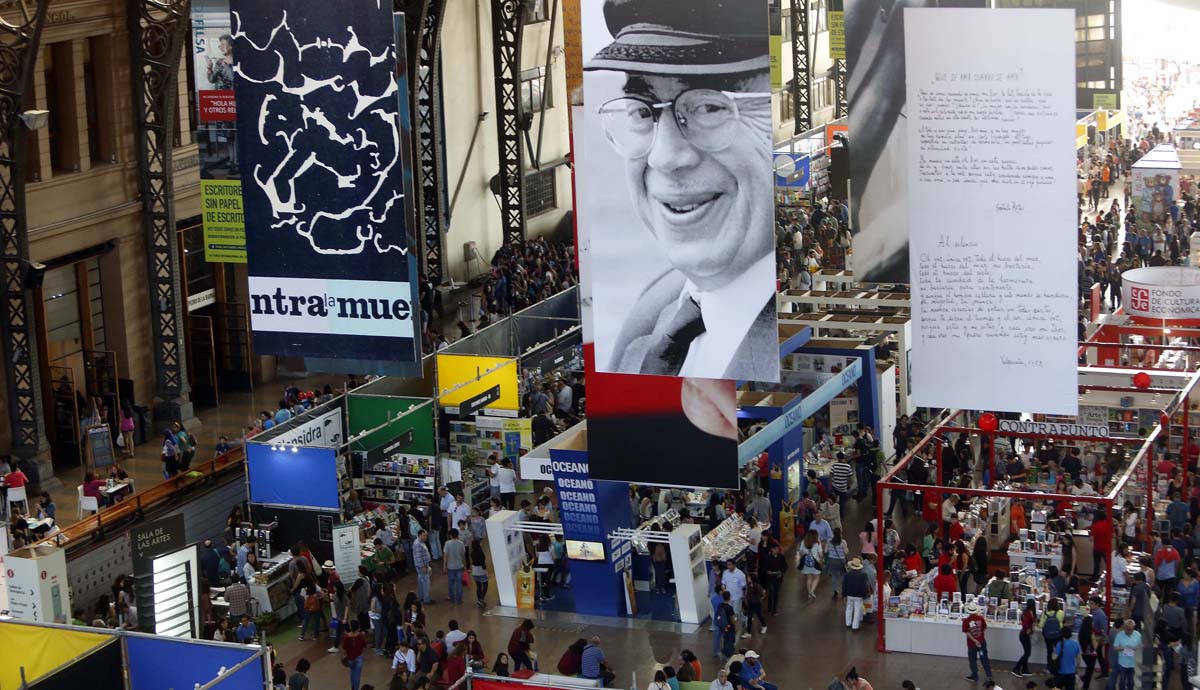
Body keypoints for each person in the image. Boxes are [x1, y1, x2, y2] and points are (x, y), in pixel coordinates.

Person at [587, 0, 776, 381]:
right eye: (643, 111)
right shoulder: (656, 308)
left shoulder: (791, 338)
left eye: (709, 107)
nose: (665, 157)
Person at [963, 601, 993, 682]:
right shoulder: (981, 618)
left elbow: (967, 633)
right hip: (981, 642)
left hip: (971, 644)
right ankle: (989, 675)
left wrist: (974, 640)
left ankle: (975, 676)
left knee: (973, 660)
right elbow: (985, 628)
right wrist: (980, 636)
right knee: (984, 658)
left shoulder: (966, 621)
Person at [1012, 598, 1037, 678]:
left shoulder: (1027, 612)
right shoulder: (1028, 613)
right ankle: (1016, 668)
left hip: (1024, 634)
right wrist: (1028, 629)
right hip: (1024, 635)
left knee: (1027, 652)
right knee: (1027, 653)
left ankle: (1025, 670)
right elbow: (1026, 623)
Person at [1112, 618, 1140, 690]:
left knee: (1131, 682)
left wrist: (1136, 648)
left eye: (1131, 629)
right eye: (1127, 629)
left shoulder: (1138, 635)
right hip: (1122, 663)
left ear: (1134, 628)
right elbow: (1115, 647)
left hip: (1133, 663)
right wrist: (1124, 648)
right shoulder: (1119, 635)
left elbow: (1141, 646)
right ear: (1124, 628)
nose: (1129, 631)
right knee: (1122, 681)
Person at [843, 558, 869, 631]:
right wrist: (864, 595)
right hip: (859, 595)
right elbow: (864, 587)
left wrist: (844, 595)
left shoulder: (847, 575)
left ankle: (848, 623)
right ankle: (855, 626)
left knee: (848, 608)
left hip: (849, 594)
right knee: (857, 610)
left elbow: (844, 585)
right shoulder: (863, 576)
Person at [796, 530, 824, 598]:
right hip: (815, 563)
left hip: (806, 564)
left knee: (809, 578)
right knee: (817, 577)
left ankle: (809, 593)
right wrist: (821, 559)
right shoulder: (817, 543)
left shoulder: (803, 542)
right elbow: (820, 554)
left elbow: (800, 552)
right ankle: (812, 591)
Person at [341, 619, 367, 690]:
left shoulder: (346, 637)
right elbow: (364, 645)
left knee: (352, 672)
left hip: (350, 658)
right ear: (358, 627)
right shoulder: (361, 636)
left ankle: (352, 687)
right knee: (357, 675)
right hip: (359, 658)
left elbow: (344, 649)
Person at [443, 528, 466, 605]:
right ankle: (459, 600)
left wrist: (444, 566)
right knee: (459, 583)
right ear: (457, 535)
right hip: (459, 566)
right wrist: (465, 564)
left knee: (451, 583)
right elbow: (463, 555)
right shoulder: (461, 543)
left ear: (450, 535)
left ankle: (452, 598)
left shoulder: (447, 543)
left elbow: (445, 556)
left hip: (450, 567)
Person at [413, 529, 433, 604]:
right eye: (424, 535)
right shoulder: (418, 544)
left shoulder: (419, 542)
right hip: (422, 566)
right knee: (426, 582)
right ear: (419, 535)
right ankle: (426, 599)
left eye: (426, 535)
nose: (425, 537)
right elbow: (418, 557)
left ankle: (421, 597)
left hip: (422, 565)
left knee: (421, 581)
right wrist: (423, 566)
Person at [470, 540, 489, 608]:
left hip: (474, 571)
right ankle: (481, 599)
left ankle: (479, 600)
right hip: (481, 571)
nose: (481, 543)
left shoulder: (472, 553)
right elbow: (482, 563)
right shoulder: (480, 552)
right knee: (485, 585)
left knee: (478, 586)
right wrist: (486, 570)